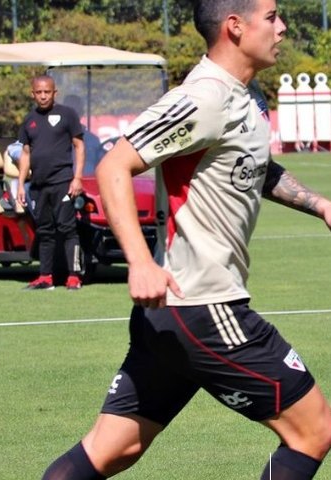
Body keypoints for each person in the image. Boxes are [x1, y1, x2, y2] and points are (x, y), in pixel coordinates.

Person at [41, 1, 331, 479]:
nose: (282, 27)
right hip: (205, 305)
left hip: (173, 315)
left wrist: (319, 203)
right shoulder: (204, 97)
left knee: (113, 449)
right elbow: (114, 165)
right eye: (273, 16)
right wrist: (139, 261)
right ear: (235, 27)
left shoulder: (247, 96)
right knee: (313, 430)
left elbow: (256, 167)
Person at [17, 75, 86, 291]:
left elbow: (79, 146)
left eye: (47, 92)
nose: (43, 96)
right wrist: (20, 184)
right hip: (38, 186)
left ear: (55, 93)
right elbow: (26, 154)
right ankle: (45, 277)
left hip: (63, 182)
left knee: (67, 229)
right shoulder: (29, 121)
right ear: (33, 94)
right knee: (44, 231)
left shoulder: (67, 115)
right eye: (39, 92)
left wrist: (77, 177)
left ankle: (73, 276)